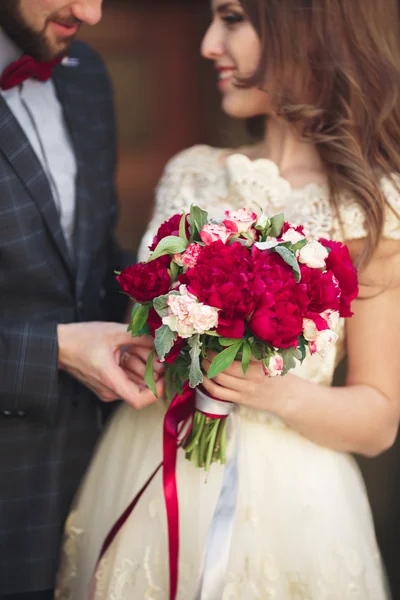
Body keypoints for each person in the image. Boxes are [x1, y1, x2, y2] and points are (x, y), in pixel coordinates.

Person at [56, 0, 400, 598]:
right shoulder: (190, 172)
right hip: (146, 460)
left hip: (289, 508)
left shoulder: (371, 204)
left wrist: (273, 390)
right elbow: (146, 325)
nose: (209, 43)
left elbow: (378, 420)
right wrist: (144, 354)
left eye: (233, 18)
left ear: (310, 26)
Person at [0, 1, 162, 599]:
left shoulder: (86, 71)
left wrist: (182, 311)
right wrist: (52, 352)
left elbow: (89, 260)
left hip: (96, 490)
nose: (91, 12)